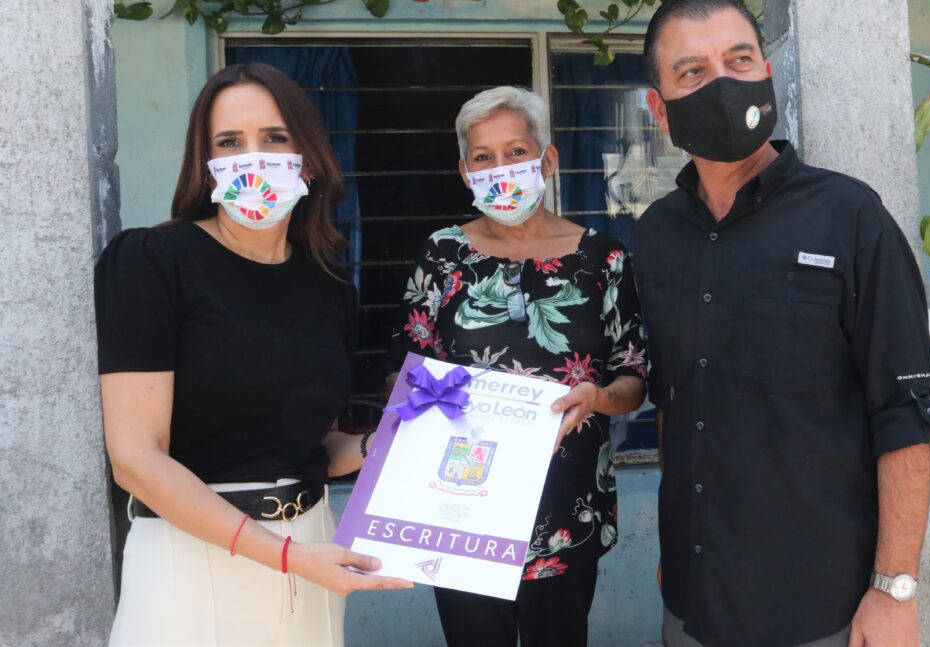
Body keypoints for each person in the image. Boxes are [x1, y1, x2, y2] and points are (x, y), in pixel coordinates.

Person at [633, 2, 930, 646]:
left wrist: (894, 590)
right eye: (693, 71)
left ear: (766, 72)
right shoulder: (656, 235)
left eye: (739, 60)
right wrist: (677, 545)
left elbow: (905, 416)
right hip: (692, 602)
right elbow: (674, 401)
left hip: (822, 608)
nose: (723, 83)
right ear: (659, 109)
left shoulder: (850, 217)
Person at [95, 63, 411, 646]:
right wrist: (283, 555)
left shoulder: (329, 287)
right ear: (205, 162)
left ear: (308, 159)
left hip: (313, 549)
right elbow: (136, 459)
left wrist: (392, 441)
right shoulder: (152, 260)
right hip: (192, 557)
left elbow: (315, 447)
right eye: (229, 142)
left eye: (274, 137)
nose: (252, 158)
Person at [386, 85, 648, 647]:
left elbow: (632, 378)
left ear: (547, 160)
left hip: (566, 504)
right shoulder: (443, 254)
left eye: (516, 151)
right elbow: (405, 367)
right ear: (465, 172)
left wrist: (598, 398)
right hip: (461, 503)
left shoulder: (602, 257)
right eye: (483, 157)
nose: (500, 168)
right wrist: (432, 396)